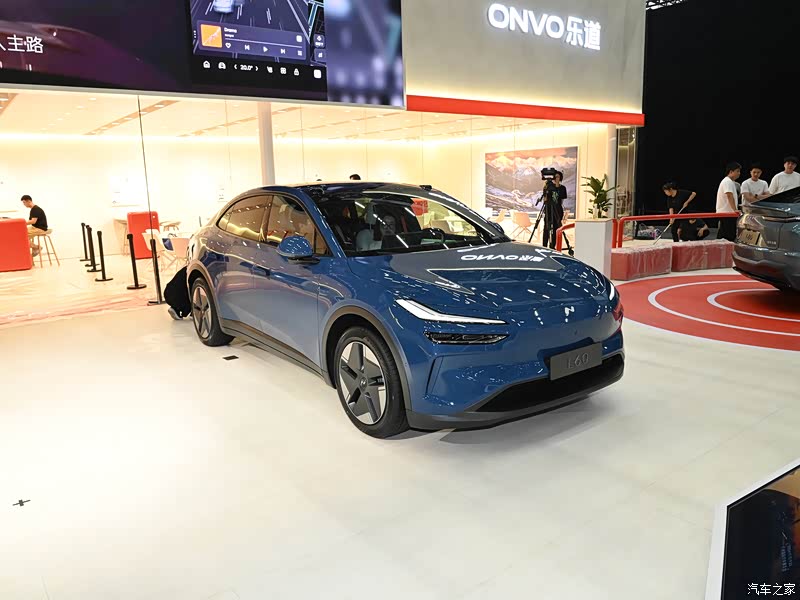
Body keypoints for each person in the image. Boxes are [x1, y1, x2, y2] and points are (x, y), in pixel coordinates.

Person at [716, 162, 741, 241]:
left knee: (724, 234)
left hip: (727, 213)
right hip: (727, 213)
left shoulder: (729, 182)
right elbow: (729, 195)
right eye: (737, 171)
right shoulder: (727, 181)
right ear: (731, 172)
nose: (739, 173)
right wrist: (735, 209)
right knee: (727, 236)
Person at [542, 171, 567, 249]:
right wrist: (546, 189)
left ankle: (552, 246)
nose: (556, 178)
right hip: (548, 210)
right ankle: (544, 246)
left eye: (557, 177)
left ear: (560, 178)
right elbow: (545, 199)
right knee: (546, 228)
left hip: (558, 210)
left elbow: (562, 200)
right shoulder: (548, 187)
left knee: (556, 229)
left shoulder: (562, 188)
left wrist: (556, 188)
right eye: (555, 177)